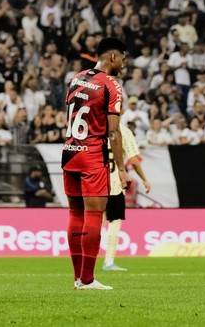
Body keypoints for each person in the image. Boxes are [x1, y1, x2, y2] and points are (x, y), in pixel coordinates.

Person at [62, 37, 128, 291]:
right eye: (122, 58)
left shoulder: (75, 79)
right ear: (113, 57)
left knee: (75, 214)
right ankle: (87, 279)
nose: (123, 63)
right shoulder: (111, 85)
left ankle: (78, 278)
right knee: (93, 215)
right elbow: (113, 132)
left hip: (70, 152)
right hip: (92, 156)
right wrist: (121, 168)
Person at [102, 124, 151, 271]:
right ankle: (109, 261)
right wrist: (144, 179)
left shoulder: (96, 127)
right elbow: (134, 160)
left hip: (95, 183)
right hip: (115, 184)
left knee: (95, 223)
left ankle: (85, 260)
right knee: (114, 222)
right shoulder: (123, 131)